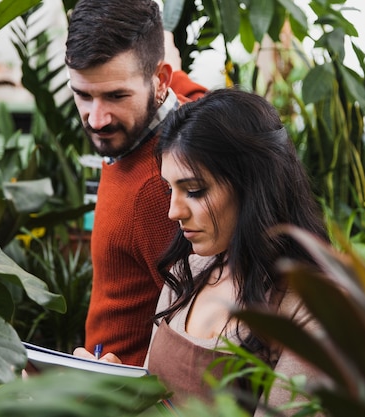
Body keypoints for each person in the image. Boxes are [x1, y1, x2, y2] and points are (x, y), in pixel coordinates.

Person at [76, 88, 329, 415]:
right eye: (170, 189)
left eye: (193, 190)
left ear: (253, 185)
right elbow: (156, 402)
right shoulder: (187, 270)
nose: (173, 211)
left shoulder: (308, 306)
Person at [65, 0, 207, 366]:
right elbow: (197, 97)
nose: (96, 120)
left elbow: (198, 331)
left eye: (115, 96)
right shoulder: (182, 105)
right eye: (83, 94)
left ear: (158, 80)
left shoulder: (161, 187)